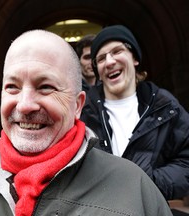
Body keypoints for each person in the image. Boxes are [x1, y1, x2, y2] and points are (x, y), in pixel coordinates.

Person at [0, 30, 173, 216]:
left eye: (45, 87)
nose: (25, 104)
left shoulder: (135, 188)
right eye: (12, 87)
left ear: (77, 105)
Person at [80, 25, 189, 201]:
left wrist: (150, 184)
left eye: (117, 51)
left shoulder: (164, 106)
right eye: (100, 59)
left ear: (135, 58)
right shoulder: (83, 111)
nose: (109, 62)